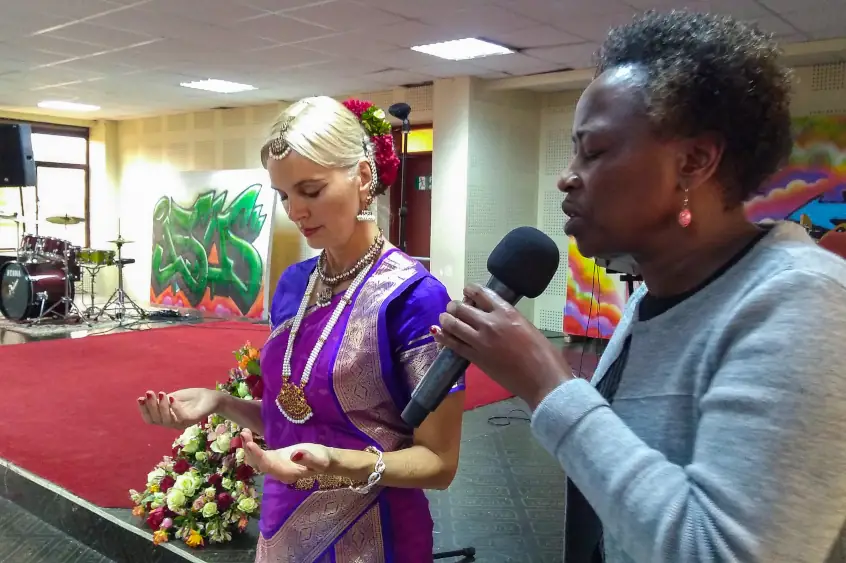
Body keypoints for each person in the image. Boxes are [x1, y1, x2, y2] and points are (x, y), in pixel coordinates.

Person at [433, 10, 846, 563]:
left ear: (695, 161)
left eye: (595, 151)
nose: (568, 174)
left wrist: (545, 382)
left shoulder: (802, 303)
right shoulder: (654, 298)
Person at [137, 96, 465, 563]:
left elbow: (439, 463)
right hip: (283, 518)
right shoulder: (295, 285)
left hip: (371, 530)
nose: (296, 210)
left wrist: (336, 463)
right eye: (284, 195)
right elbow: (293, 418)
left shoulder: (414, 298)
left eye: (311, 190)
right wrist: (223, 404)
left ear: (363, 177)